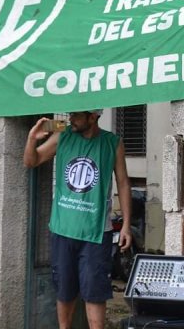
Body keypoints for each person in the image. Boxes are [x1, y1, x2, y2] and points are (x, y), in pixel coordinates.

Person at [23, 110, 132, 329]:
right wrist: (31, 139)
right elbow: (31, 161)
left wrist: (126, 225)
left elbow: (123, 182)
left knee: (94, 292)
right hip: (63, 230)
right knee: (65, 290)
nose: (70, 118)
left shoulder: (112, 142)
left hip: (96, 232)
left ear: (93, 117)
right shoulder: (62, 133)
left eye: (77, 115)